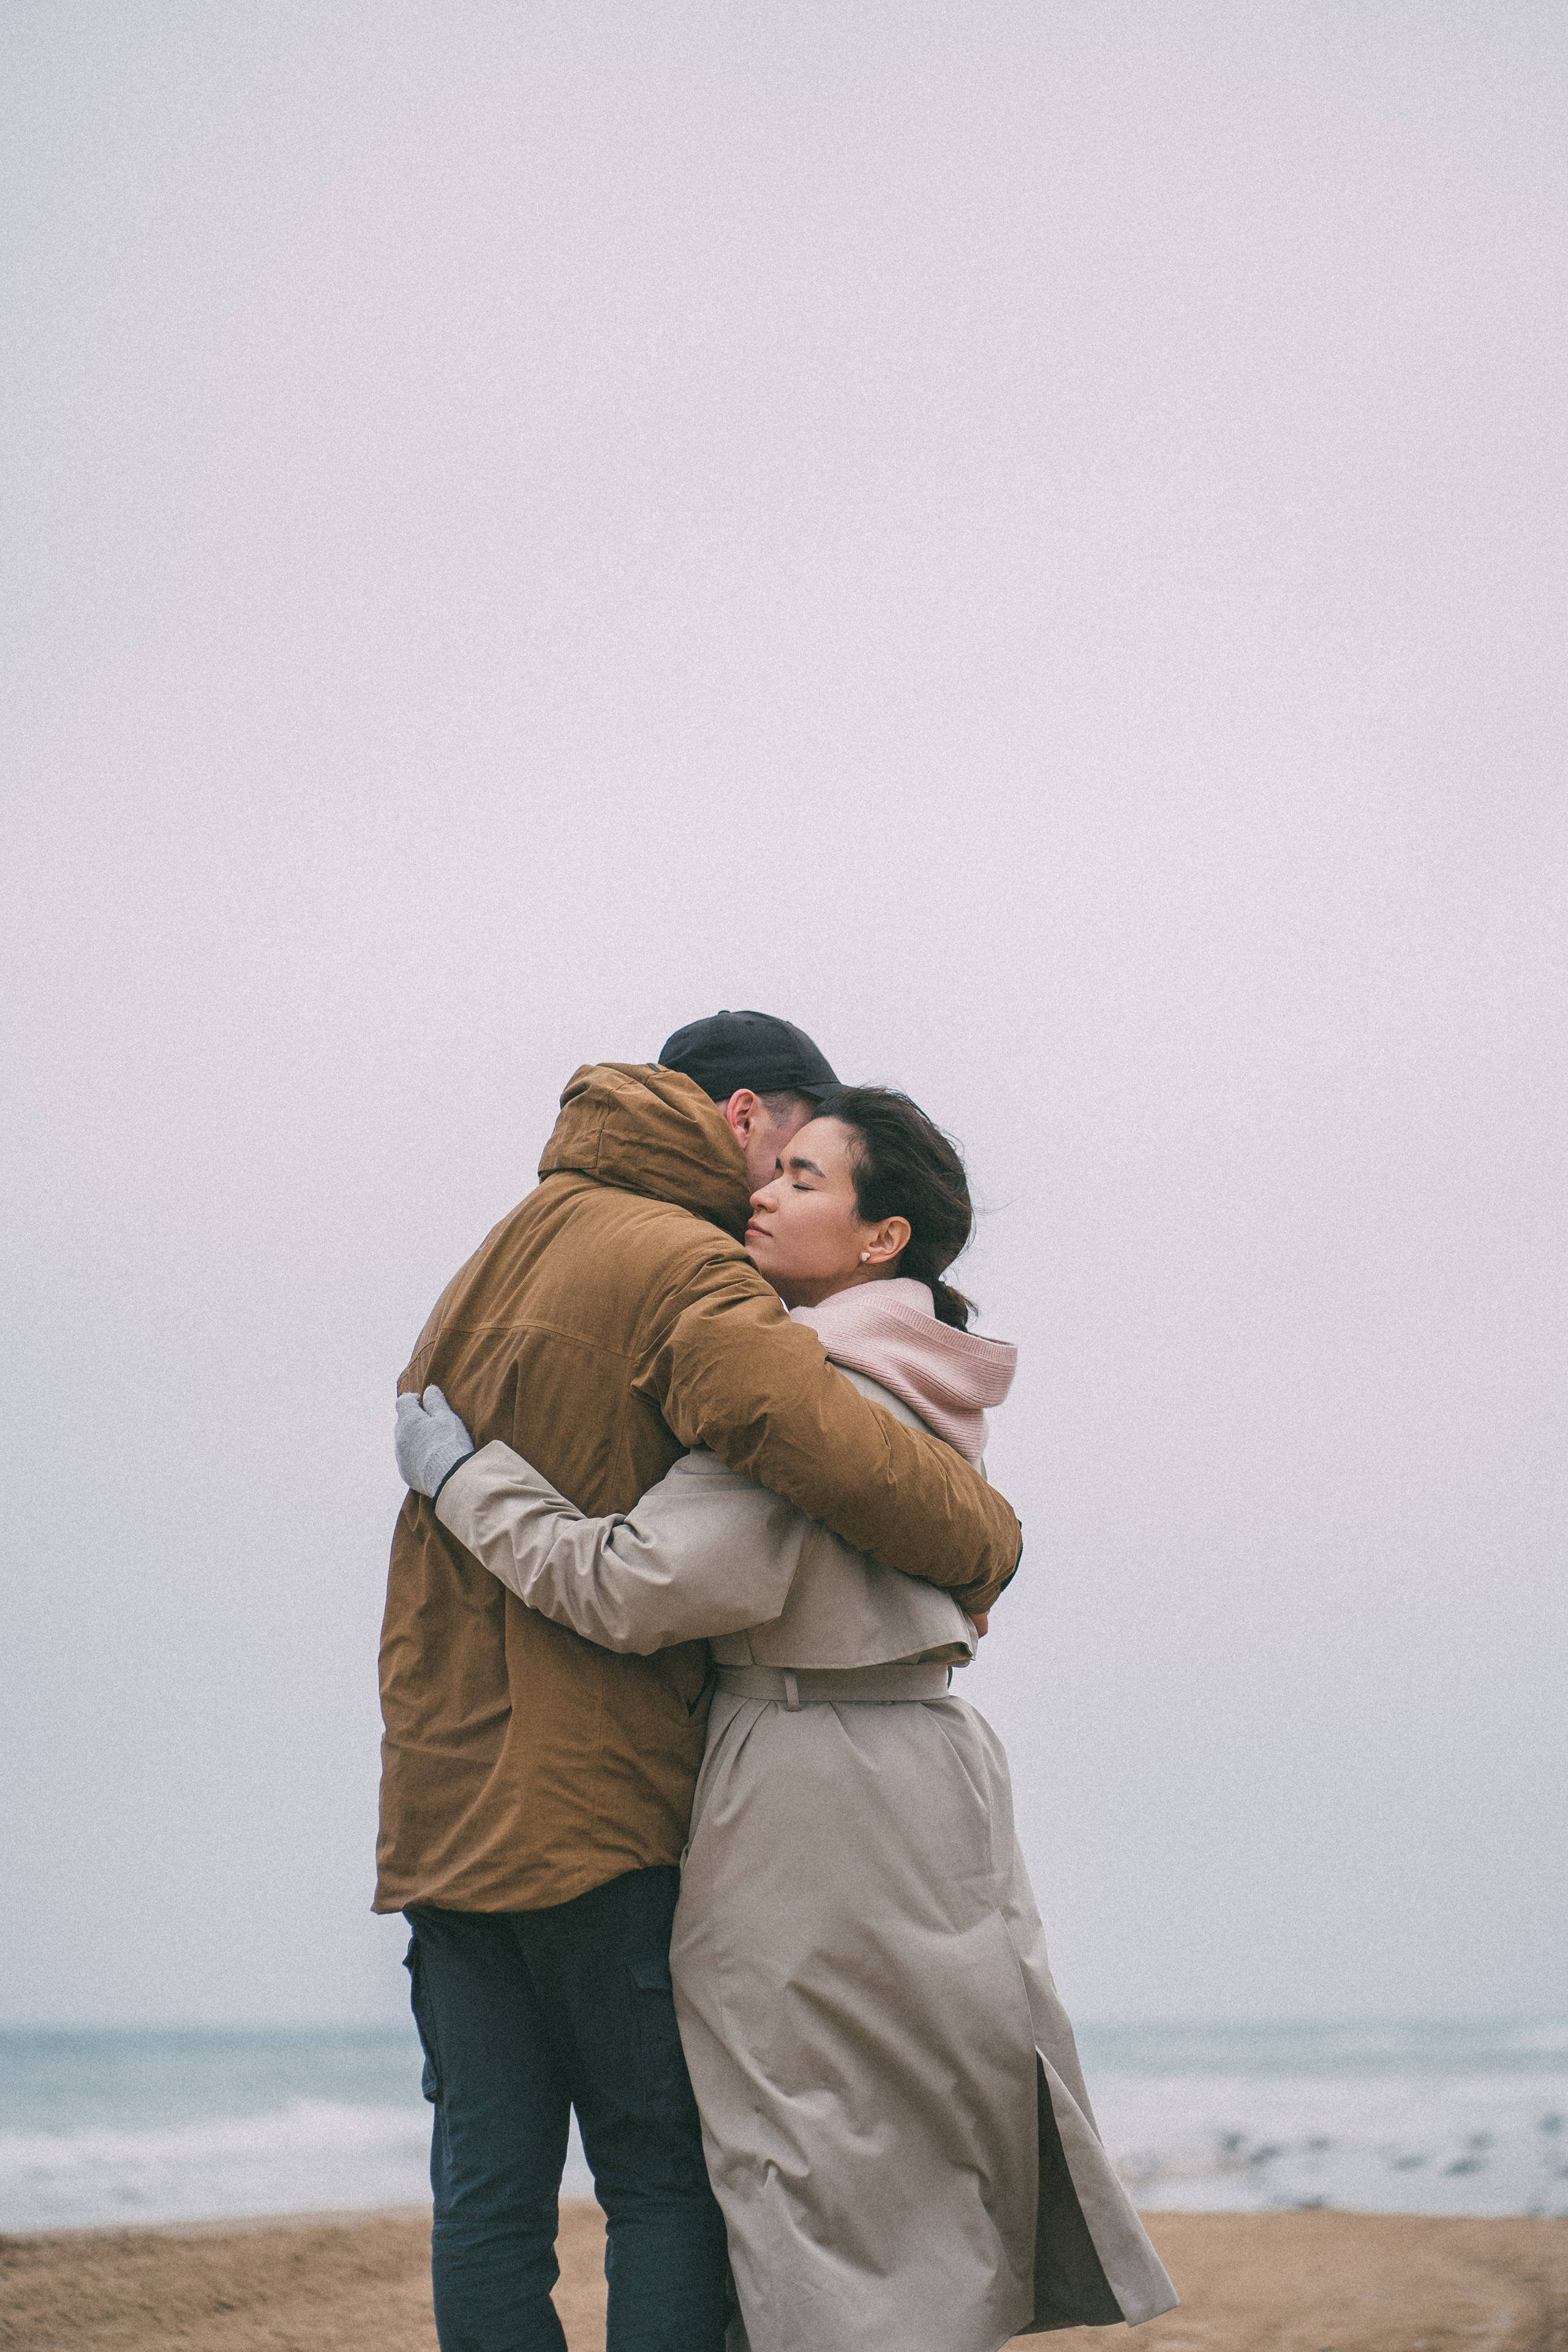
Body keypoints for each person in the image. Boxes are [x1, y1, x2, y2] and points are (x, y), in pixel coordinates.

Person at [396, 1085, 1178, 2352]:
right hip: (926, 1770)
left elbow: (629, 1583)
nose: (760, 1191)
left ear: (882, 1239)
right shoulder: (927, 1379)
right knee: (917, 2128)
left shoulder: (810, 1394)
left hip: (807, 1783)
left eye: (802, 1180)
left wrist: (469, 1479)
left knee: (792, 2148)